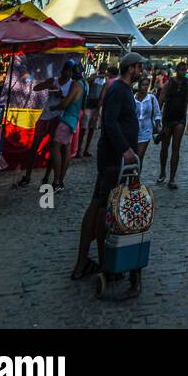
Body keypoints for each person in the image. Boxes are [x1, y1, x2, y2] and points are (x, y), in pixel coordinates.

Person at [71, 52, 142, 281]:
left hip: (115, 159)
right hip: (113, 158)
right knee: (101, 207)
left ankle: (92, 261)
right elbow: (109, 121)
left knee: (101, 205)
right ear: (131, 68)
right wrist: (125, 149)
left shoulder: (123, 90)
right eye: (139, 67)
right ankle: (100, 262)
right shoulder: (119, 90)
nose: (142, 71)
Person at [18, 60, 73, 186]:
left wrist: (62, 95)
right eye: (67, 70)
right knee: (34, 147)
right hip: (45, 116)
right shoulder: (53, 80)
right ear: (63, 70)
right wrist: (48, 86)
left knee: (54, 150)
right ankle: (27, 176)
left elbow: (71, 100)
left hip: (58, 118)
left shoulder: (72, 84)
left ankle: (47, 177)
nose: (68, 73)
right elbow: (36, 88)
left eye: (70, 71)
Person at [50, 63, 87, 190]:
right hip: (73, 119)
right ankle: (60, 181)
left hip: (67, 119)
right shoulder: (84, 84)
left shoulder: (77, 84)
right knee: (65, 149)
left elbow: (66, 104)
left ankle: (56, 181)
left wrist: (54, 106)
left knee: (56, 148)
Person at [157, 62, 188, 188]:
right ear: (177, 70)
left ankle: (172, 178)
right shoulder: (169, 83)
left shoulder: (187, 85)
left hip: (180, 119)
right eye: (181, 70)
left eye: (185, 70)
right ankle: (162, 171)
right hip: (167, 118)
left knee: (176, 148)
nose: (183, 72)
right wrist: (157, 119)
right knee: (164, 147)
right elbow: (160, 100)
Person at [78, 63, 107, 158]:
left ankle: (86, 149)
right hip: (89, 104)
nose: (103, 70)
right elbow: (87, 80)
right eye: (102, 68)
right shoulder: (94, 76)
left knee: (92, 129)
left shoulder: (105, 79)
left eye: (104, 68)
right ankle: (79, 149)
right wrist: (98, 75)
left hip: (97, 106)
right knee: (83, 128)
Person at [135, 76, 161, 165]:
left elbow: (157, 113)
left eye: (147, 85)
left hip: (146, 130)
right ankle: (133, 176)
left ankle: (136, 178)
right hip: (133, 131)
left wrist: (158, 125)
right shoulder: (133, 98)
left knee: (140, 155)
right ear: (139, 86)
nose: (145, 87)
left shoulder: (152, 98)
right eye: (143, 85)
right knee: (134, 156)